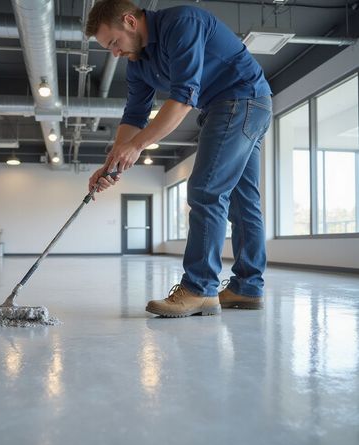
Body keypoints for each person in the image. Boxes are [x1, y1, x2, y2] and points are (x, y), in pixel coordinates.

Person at [86, 0, 272, 318]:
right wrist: (113, 162)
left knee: (205, 190)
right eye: (108, 48)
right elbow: (134, 115)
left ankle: (199, 289)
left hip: (242, 99)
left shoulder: (183, 23)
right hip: (233, 107)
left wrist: (137, 146)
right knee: (242, 203)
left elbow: (184, 97)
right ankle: (247, 287)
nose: (114, 53)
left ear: (130, 21)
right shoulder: (138, 65)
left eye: (114, 43)